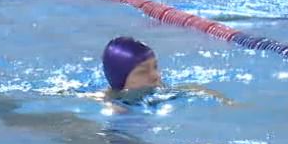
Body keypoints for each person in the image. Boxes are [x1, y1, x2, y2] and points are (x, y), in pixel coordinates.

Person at [100, 36, 233, 107]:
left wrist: (226, 101)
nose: (155, 76)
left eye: (155, 67)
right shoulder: (110, 107)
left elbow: (193, 89)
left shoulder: (161, 92)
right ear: (119, 79)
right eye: (143, 72)